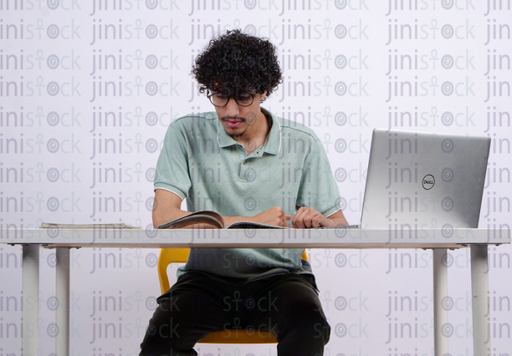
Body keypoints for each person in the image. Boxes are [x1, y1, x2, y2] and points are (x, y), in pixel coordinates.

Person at [140, 29, 348, 356]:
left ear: (265, 90)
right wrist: (250, 222)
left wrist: (322, 221)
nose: (231, 110)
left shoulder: (302, 143)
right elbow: (164, 218)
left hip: (281, 278)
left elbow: (341, 227)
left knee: (310, 327)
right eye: (220, 95)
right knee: (159, 341)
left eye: (244, 96)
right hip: (206, 279)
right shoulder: (185, 133)